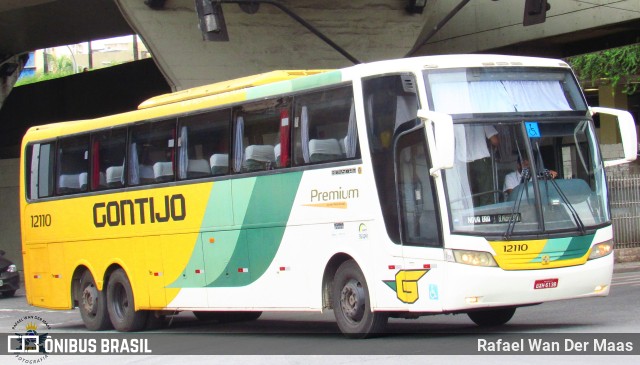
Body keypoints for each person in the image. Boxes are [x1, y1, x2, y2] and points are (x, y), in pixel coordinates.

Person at [465, 125, 499, 206]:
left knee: (472, 193)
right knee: (486, 193)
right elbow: (494, 141)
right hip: (481, 160)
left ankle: (474, 215)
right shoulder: (481, 121)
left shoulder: (462, 123)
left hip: (466, 163)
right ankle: (486, 215)